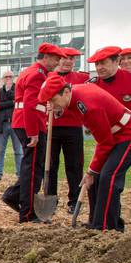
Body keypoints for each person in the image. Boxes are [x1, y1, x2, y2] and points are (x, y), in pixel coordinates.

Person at [39, 71, 130, 231]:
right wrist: (93, 173)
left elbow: (105, 143)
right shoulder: (75, 95)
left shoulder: (88, 106)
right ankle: (97, 221)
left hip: (126, 134)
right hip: (114, 134)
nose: (52, 105)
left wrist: (90, 171)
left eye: (53, 100)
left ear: (66, 91)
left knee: (108, 177)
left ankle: (106, 227)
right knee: (96, 179)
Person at [2, 43, 64, 223]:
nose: (57, 63)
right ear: (45, 57)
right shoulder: (37, 75)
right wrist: (33, 132)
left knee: (32, 166)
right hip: (30, 124)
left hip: (28, 122)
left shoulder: (35, 72)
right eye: (55, 59)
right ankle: (28, 213)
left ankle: (14, 195)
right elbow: (30, 104)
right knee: (33, 170)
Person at [47, 47, 89, 213]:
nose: (68, 61)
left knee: (74, 166)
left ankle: (74, 201)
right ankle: (51, 200)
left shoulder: (82, 78)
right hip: (53, 127)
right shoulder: (49, 76)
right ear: (59, 60)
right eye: (65, 58)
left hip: (73, 126)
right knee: (50, 165)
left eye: (72, 58)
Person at [0, 70, 22, 181]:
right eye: (6, 77)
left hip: (16, 124)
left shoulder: (18, 90)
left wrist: (9, 91)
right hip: (2, 124)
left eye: (10, 76)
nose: (8, 78)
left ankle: (20, 174)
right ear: (2, 79)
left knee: (19, 151)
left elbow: (18, 101)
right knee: (0, 151)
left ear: (14, 77)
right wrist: (11, 102)